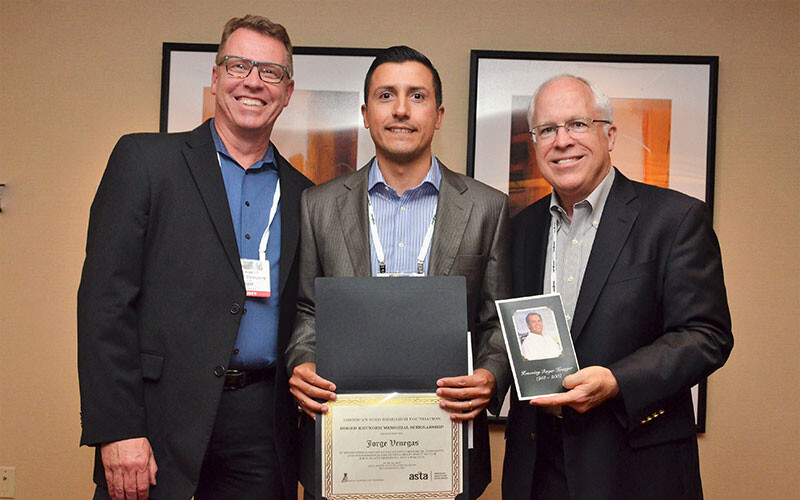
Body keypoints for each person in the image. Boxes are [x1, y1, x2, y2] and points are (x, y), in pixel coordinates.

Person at [77, 15, 313, 500]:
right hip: (156, 419)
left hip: (262, 429)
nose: (252, 81)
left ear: (287, 92)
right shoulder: (145, 162)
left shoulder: (305, 196)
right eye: (238, 64)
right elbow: (105, 302)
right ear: (215, 78)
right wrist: (117, 428)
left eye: (270, 72)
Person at [284, 45, 511, 499]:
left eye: (417, 96)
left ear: (439, 114)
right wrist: (301, 360)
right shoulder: (319, 205)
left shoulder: (488, 207)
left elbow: (497, 322)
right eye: (387, 96)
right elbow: (309, 310)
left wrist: (491, 375)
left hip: (444, 446)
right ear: (366, 113)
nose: (402, 110)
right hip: (344, 446)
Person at [502, 75, 733, 500]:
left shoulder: (674, 219)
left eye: (577, 124)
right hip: (537, 469)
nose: (562, 140)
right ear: (535, 144)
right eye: (547, 129)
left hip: (636, 468)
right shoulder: (520, 229)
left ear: (609, 134)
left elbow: (707, 336)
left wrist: (616, 380)